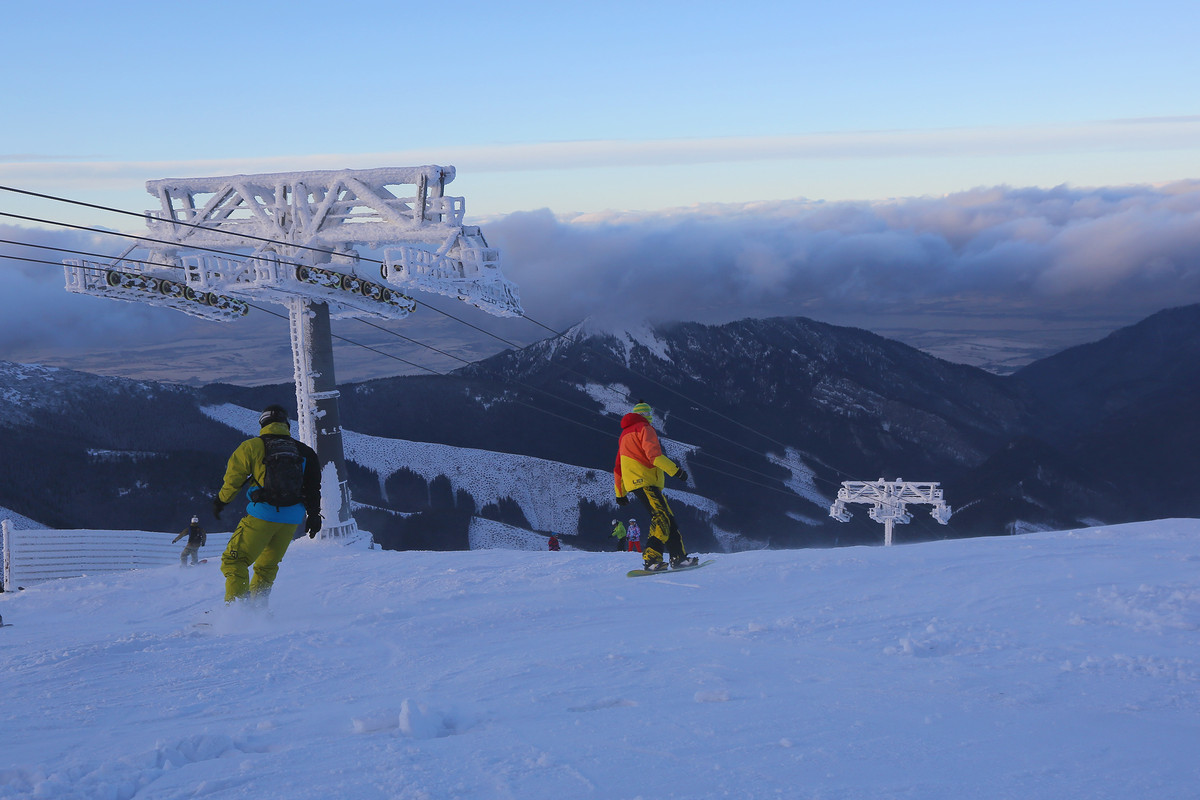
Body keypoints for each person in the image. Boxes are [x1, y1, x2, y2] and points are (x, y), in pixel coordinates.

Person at [212, 404, 322, 605]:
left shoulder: (251, 447)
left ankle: (237, 611)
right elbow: (313, 487)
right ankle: (258, 611)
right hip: (291, 520)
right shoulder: (305, 451)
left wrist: (221, 501)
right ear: (286, 424)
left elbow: (233, 480)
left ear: (263, 423)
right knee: (266, 567)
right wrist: (314, 516)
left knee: (234, 561)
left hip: (262, 515)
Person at [614, 401, 697, 571]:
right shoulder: (645, 428)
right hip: (646, 481)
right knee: (661, 517)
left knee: (667, 518)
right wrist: (677, 471)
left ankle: (678, 557)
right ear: (646, 415)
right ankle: (651, 559)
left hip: (635, 483)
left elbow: (618, 467)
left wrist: (620, 493)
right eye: (649, 414)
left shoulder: (624, 435)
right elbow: (654, 456)